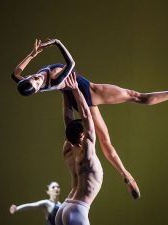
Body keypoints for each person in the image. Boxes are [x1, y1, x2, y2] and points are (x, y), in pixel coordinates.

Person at [11, 39, 168, 198]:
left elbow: (15, 74)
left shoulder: (29, 79)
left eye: (34, 80)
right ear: (37, 90)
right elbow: (71, 64)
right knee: (136, 96)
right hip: (87, 91)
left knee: (104, 141)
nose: (37, 80)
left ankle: (126, 174)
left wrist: (32, 54)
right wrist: (56, 43)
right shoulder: (54, 80)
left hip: (73, 97)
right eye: (36, 85)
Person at [56, 73, 104, 225]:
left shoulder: (68, 147)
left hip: (65, 207)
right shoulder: (87, 150)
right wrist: (75, 90)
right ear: (83, 135)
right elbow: (86, 115)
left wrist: (65, 92)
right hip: (77, 210)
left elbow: (67, 118)